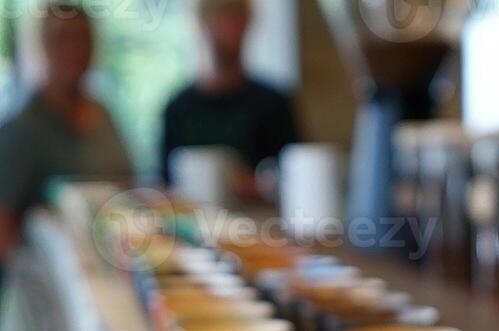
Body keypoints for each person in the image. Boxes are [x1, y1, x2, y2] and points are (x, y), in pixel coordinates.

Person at [0, 2, 132, 265]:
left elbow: (130, 187)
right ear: (43, 45)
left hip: (113, 263)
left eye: (83, 37)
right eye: (63, 38)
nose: (75, 49)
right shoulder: (23, 127)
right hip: (53, 280)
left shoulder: (103, 113)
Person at [161, 0, 300, 197]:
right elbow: (163, 184)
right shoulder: (177, 109)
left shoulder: (272, 103)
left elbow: (296, 175)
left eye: (237, 18)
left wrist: (258, 185)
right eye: (222, 17)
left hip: (257, 220)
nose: (231, 28)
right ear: (202, 23)